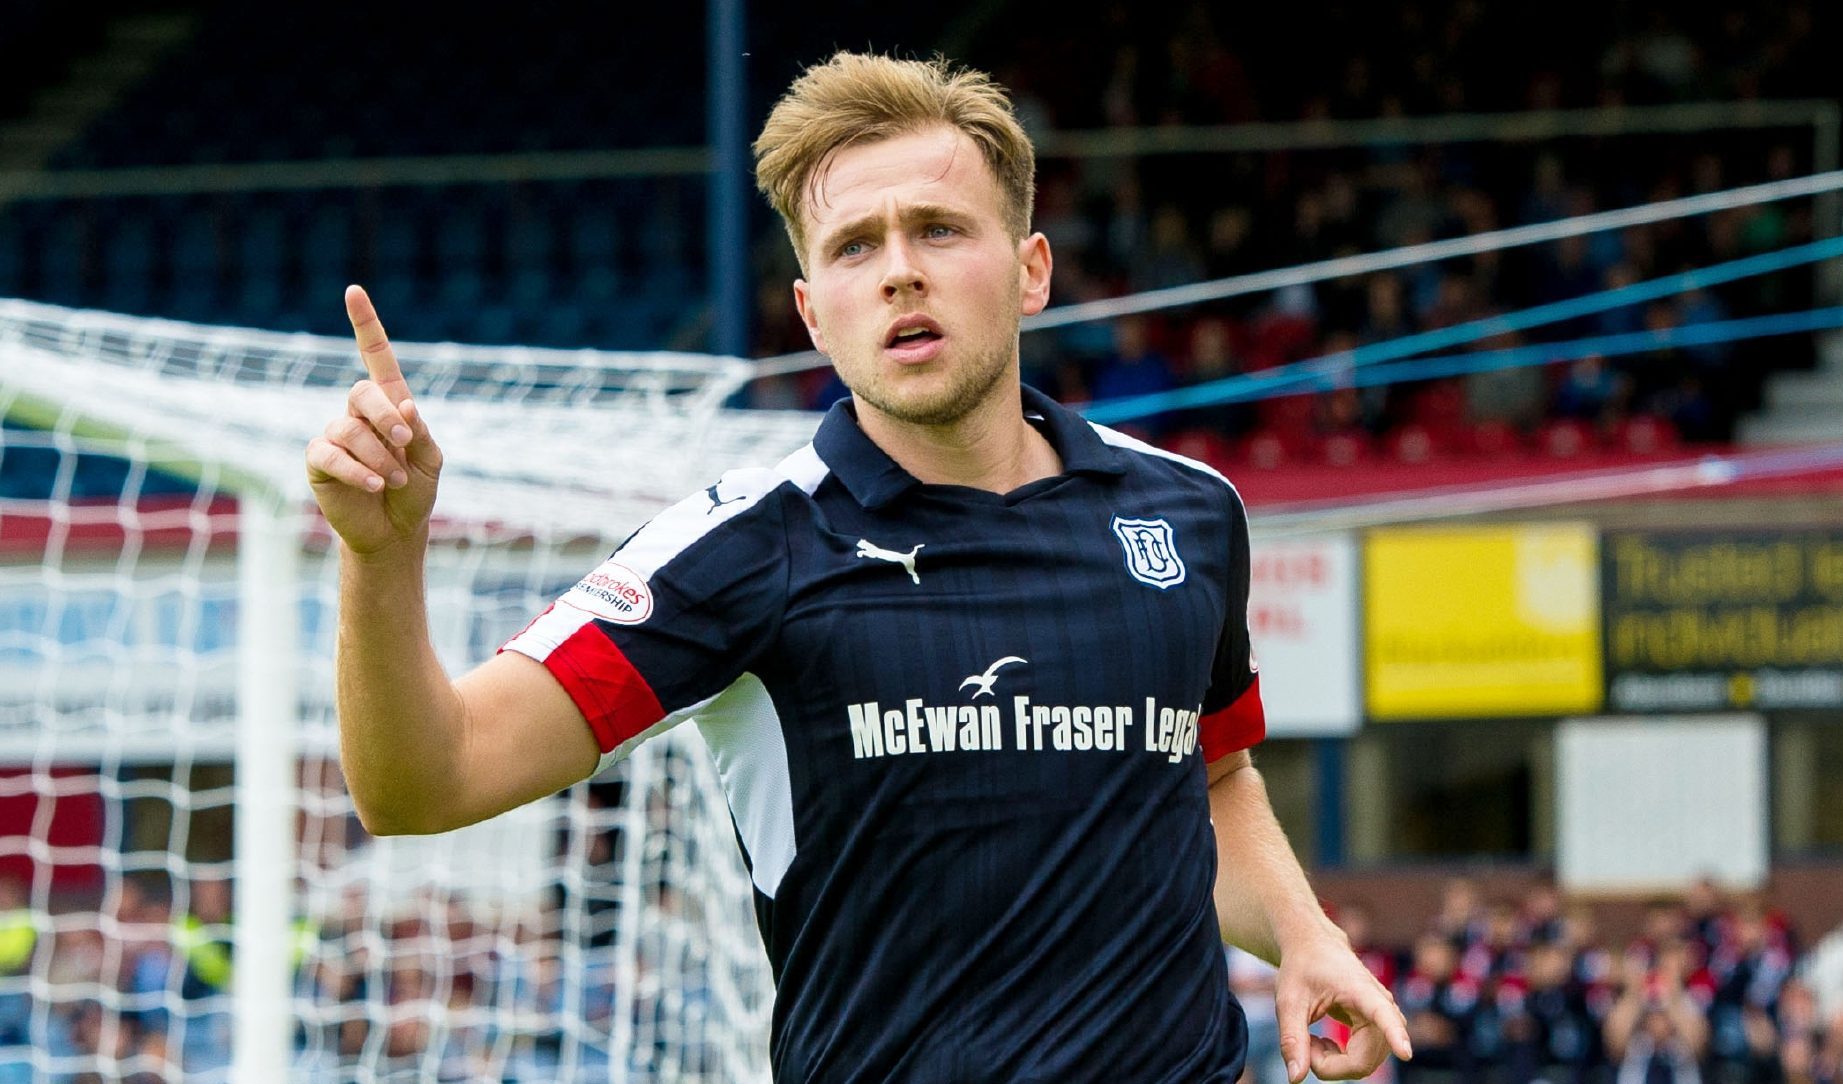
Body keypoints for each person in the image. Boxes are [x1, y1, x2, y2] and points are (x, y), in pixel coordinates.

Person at [305, 51, 1410, 1083]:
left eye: (938, 229)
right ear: (812, 315)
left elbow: (1208, 776)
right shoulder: (742, 549)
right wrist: (382, 556)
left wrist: (1307, 937)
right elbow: (424, 781)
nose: (898, 274)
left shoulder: (1187, 514)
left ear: (1030, 270)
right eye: (854, 246)